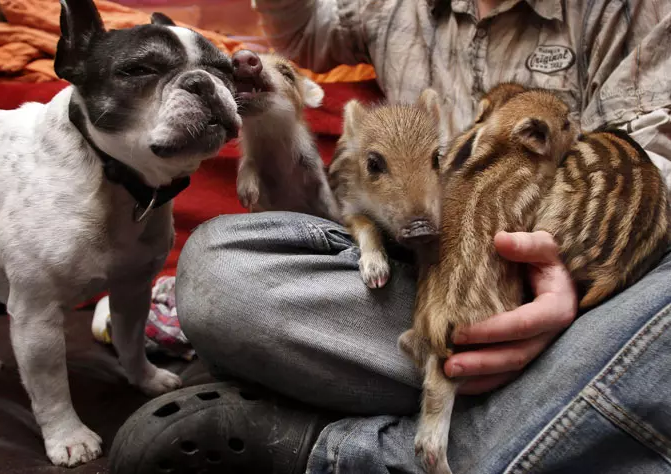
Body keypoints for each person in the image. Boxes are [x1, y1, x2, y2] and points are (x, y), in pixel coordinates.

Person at [112, 1, 671, 473]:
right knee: (218, 272)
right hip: (417, 285)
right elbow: (306, 33)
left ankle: (353, 449)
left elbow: (656, 160)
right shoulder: (391, 6)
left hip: (585, 293)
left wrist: (564, 284)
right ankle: (551, 408)